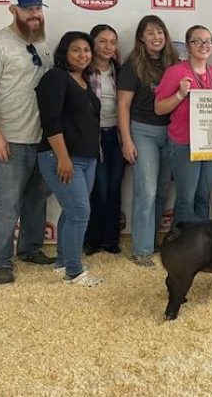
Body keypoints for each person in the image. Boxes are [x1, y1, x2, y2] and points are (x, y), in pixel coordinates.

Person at [0, 0, 54, 285]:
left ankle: (30, 248)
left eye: (37, 8)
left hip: (42, 138)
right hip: (11, 137)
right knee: (7, 204)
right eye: (28, 9)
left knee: (37, 198)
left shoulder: (44, 45)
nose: (34, 14)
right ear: (13, 10)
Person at [36, 31, 102, 287]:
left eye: (86, 50)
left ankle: (63, 261)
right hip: (61, 157)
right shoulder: (56, 78)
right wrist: (63, 158)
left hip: (87, 159)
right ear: (64, 52)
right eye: (76, 49)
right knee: (79, 213)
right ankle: (74, 273)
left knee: (72, 211)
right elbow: (50, 120)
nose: (83, 55)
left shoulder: (84, 81)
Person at [117, 15, 178, 266]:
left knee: (162, 191)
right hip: (143, 132)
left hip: (171, 132)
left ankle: (152, 241)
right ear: (141, 37)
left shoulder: (174, 63)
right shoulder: (132, 65)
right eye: (150, 33)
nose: (156, 37)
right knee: (147, 191)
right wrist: (127, 140)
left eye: (160, 32)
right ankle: (141, 250)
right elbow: (122, 105)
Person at [155, 25, 212, 224]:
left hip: (210, 146)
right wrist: (180, 94)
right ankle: (182, 246)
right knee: (186, 198)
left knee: (203, 197)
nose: (203, 45)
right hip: (184, 143)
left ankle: (201, 244)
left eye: (208, 41)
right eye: (197, 41)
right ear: (188, 46)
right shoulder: (176, 72)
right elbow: (159, 108)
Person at [83, 24, 124, 255]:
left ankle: (111, 240)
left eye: (112, 41)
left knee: (114, 188)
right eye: (103, 41)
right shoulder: (84, 72)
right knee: (97, 188)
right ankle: (92, 239)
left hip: (116, 135)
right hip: (92, 137)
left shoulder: (120, 71)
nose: (108, 46)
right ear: (93, 43)